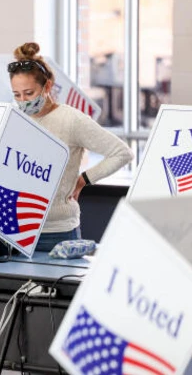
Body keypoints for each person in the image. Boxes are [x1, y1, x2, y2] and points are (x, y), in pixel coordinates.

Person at [8, 42, 133, 252]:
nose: (23, 101)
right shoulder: (13, 117)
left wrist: (84, 179)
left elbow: (122, 153)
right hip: (15, 230)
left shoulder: (70, 120)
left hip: (57, 232)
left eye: (29, 93)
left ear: (47, 87)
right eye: (17, 95)